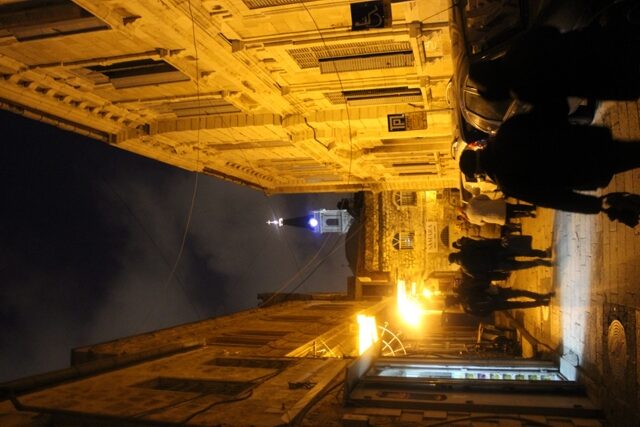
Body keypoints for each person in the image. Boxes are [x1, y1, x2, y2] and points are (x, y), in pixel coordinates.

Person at [458, 106, 640, 227]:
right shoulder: (506, 132)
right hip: (584, 142)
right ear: (476, 150)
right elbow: (548, 113)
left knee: (630, 158)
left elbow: (553, 198)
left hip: (584, 172)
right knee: (630, 152)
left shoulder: (507, 182)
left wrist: (594, 204)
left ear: (478, 172)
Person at [468, 20, 640, 104]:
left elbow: (556, 103)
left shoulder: (522, 91)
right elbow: (549, 31)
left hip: (593, 80)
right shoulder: (517, 48)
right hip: (590, 44)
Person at [445, 287, 553, 318]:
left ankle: (542, 303)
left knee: (520, 304)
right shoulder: (465, 293)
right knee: (520, 293)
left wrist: (491, 308)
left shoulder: (466, 309)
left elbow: (482, 315)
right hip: (496, 294)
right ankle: (542, 297)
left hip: (496, 305)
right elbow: (479, 287)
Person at [460, 194, 536, 227]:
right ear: (463, 206)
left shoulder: (471, 219)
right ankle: (531, 208)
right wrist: (488, 202)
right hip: (497, 205)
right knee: (515, 207)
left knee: (513, 215)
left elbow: (482, 223)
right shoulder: (471, 202)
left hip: (496, 217)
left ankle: (528, 215)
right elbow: (484, 196)